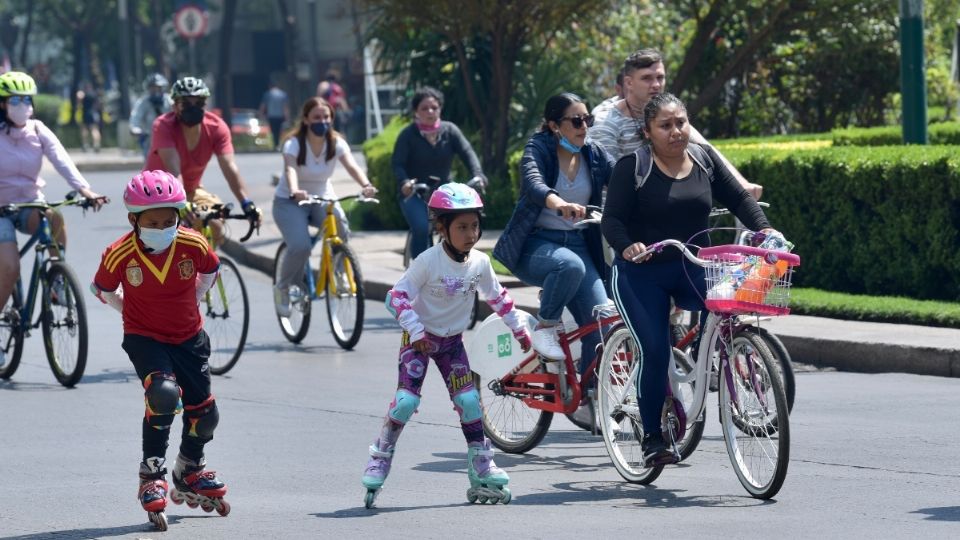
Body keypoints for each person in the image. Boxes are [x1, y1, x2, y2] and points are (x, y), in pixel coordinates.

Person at [600, 93, 776, 466]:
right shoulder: (633, 166)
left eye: (680, 122)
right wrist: (628, 245)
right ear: (647, 132)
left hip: (692, 264)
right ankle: (650, 437)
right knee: (655, 349)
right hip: (639, 273)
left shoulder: (704, 159)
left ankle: (710, 360)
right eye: (665, 125)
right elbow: (611, 219)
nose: (676, 131)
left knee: (728, 309)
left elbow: (741, 198)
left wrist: (765, 231)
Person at [362, 183, 531, 506]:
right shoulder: (427, 262)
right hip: (420, 342)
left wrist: (518, 329)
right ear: (442, 228)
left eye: (474, 226)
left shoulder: (480, 263)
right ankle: (380, 454)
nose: (471, 234)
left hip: (452, 343)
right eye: (462, 227)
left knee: (469, 401)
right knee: (405, 402)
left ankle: (481, 462)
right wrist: (416, 331)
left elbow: (498, 297)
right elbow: (395, 297)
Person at [90, 170, 230, 526]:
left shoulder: (192, 243)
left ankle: (189, 469)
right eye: (153, 222)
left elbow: (211, 270)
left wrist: (197, 298)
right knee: (164, 395)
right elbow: (101, 289)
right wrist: (128, 312)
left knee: (206, 415)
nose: (163, 226)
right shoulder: (119, 252)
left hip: (190, 337)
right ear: (133, 220)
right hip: (144, 337)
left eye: (169, 220)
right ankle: (151, 474)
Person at [492, 93, 614, 373]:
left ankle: (592, 398)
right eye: (576, 120)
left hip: (580, 245)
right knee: (568, 266)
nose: (585, 126)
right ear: (553, 125)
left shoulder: (593, 153)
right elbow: (534, 183)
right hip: (535, 243)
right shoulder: (538, 148)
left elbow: (621, 179)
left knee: (601, 320)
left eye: (588, 119)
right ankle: (545, 327)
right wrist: (558, 203)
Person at [0, 71, 105, 367]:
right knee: (9, 267)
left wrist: (84, 190)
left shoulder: (37, 130)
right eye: (15, 100)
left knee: (55, 218)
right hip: (0, 211)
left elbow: (61, 159)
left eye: (26, 99)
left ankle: (57, 281)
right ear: (2, 105)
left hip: (30, 203)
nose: (22, 105)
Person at [588, 48, 762, 199]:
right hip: (619, 221)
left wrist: (742, 184)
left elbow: (706, 150)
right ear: (629, 82)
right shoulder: (606, 122)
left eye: (660, 77)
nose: (656, 85)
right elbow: (609, 179)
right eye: (647, 78)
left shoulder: (666, 112)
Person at [272, 96, 378, 317]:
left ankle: (338, 271)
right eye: (317, 117)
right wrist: (294, 190)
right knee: (300, 246)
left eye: (327, 117)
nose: (323, 121)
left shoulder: (336, 142)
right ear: (306, 119)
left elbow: (351, 166)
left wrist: (366, 185)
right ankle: (283, 287)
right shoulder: (294, 143)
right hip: (291, 200)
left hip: (322, 197)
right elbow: (290, 169)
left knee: (341, 228)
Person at [145, 76, 262, 246]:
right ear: (175, 106)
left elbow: (230, 167)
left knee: (215, 225)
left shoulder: (216, 128)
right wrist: (180, 202)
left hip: (191, 191)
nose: (193, 108)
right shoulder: (163, 126)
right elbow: (173, 169)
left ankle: (204, 270)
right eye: (186, 103)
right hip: (156, 194)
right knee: (159, 244)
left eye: (199, 103)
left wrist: (247, 203)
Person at [392, 86, 486, 261]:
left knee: (461, 223)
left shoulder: (449, 130)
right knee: (421, 227)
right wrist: (404, 182)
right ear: (416, 112)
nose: (430, 112)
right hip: (415, 193)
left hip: (444, 193)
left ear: (440, 109)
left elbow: (468, 153)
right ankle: (420, 271)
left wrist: (478, 175)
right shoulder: (408, 135)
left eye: (434, 108)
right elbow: (397, 164)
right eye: (424, 108)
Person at [130, 73, 173, 158]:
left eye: (158, 88)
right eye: (153, 88)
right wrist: (135, 129)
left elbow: (178, 115)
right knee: (151, 166)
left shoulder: (170, 100)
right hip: (150, 140)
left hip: (170, 139)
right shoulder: (143, 102)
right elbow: (135, 118)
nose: (156, 91)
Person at [259, 82, 289, 150]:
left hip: (271, 115)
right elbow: (285, 107)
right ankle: (279, 144)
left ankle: (275, 144)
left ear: (270, 86)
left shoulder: (267, 94)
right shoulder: (283, 94)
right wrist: (286, 116)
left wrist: (261, 114)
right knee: (279, 130)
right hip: (280, 115)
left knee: (273, 131)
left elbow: (263, 106)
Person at [77, 82, 102, 153]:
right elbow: (98, 104)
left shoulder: (83, 95)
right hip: (94, 113)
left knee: (84, 129)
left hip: (85, 113)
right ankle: (96, 144)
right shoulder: (94, 94)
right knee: (94, 129)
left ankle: (85, 144)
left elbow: (78, 99)